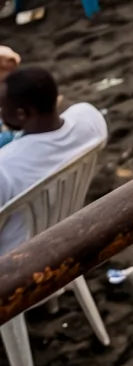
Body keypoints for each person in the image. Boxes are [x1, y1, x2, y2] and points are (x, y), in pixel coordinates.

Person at [0, 68, 109, 256]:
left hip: (17, 262)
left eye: (2, 108)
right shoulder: (90, 121)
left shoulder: (6, 167)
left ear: (21, 114)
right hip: (63, 234)